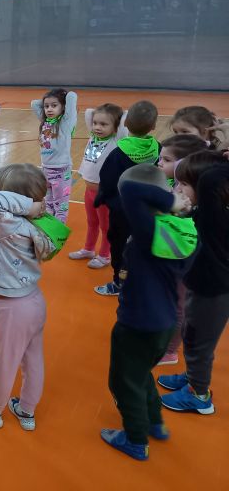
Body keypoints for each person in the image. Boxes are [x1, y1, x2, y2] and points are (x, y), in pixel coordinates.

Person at [100, 164, 195, 461]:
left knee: (123, 381)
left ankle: (136, 439)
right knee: (141, 374)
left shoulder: (148, 232)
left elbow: (129, 189)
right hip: (164, 324)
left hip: (137, 324)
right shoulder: (184, 230)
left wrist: (168, 199)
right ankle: (155, 422)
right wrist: (172, 203)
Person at [0, 164, 56, 432]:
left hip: (13, 309)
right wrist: (34, 208)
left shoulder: (11, 225)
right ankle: (26, 410)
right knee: (33, 359)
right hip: (34, 301)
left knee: (5, 362)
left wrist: (29, 206)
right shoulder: (34, 225)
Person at [158, 155, 228, 416]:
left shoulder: (215, 216)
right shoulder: (203, 210)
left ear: (205, 190)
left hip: (213, 292)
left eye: (184, 184)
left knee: (199, 344)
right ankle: (191, 377)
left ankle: (199, 395)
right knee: (190, 334)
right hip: (198, 285)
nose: (177, 188)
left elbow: (211, 180)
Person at [94, 100, 159, 296]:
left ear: (126, 124)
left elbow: (107, 180)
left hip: (123, 211)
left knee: (120, 245)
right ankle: (142, 279)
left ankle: (119, 283)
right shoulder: (158, 148)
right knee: (143, 244)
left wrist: (101, 198)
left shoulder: (118, 153)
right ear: (154, 126)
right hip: (149, 209)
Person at [69, 104, 126, 269]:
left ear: (116, 128)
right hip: (89, 191)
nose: (97, 127)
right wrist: (101, 116)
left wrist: (118, 118)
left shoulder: (117, 141)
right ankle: (88, 249)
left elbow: (124, 119)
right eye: (95, 123)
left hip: (105, 193)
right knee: (92, 222)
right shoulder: (93, 137)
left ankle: (104, 255)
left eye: (103, 124)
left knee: (106, 226)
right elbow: (88, 113)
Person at [31, 88, 78, 223]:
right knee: (49, 202)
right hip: (46, 170)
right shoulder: (45, 122)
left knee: (60, 205)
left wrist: (62, 97)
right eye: (46, 106)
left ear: (63, 107)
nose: (49, 109)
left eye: (54, 105)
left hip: (61, 171)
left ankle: (59, 228)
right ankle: (51, 226)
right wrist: (50, 99)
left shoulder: (65, 123)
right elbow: (34, 104)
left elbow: (72, 96)